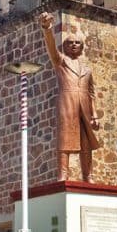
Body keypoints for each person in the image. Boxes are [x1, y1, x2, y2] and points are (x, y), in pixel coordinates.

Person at [39, 12, 101, 182]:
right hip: (67, 103)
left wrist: (95, 114)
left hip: (85, 108)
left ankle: (88, 175)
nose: (74, 45)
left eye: (77, 43)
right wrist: (47, 29)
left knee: (86, 142)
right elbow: (51, 48)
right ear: (65, 46)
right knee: (64, 139)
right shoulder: (60, 62)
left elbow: (91, 93)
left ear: (81, 47)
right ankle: (63, 174)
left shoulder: (87, 69)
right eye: (70, 43)